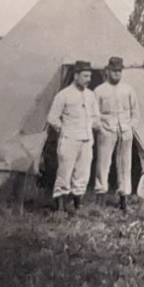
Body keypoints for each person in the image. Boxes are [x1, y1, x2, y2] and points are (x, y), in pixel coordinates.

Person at [46, 60, 100, 212]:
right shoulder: (63, 95)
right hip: (69, 139)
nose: (88, 79)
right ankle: (60, 207)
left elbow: (96, 116)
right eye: (85, 76)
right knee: (65, 173)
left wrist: (92, 125)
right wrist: (64, 129)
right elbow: (52, 118)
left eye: (90, 76)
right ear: (76, 76)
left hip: (86, 139)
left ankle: (78, 206)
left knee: (83, 173)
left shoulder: (90, 95)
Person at [94, 55, 139, 212]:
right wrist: (100, 127)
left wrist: (130, 127)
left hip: (124, 132)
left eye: (119, 71)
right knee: (103, 164)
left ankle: (123, 199)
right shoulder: (99, 91)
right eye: (114, 71)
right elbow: (94, 114)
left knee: (125, 164)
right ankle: (100, 196)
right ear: (107, 70)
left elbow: (135, 112)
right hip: (107, 131)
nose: (117, 74)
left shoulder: (128, 90)